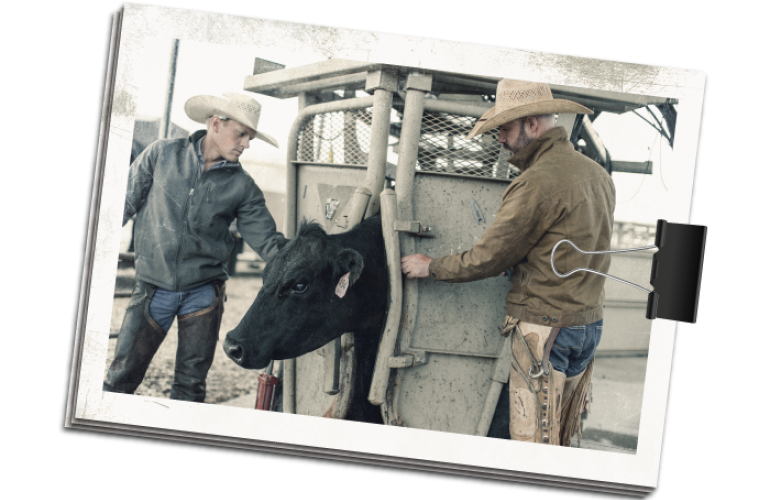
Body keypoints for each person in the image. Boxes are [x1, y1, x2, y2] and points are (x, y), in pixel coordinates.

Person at [400, 79, 616, 446]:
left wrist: (430, 266)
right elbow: (569, 246)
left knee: (532, 446)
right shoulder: (598, 174)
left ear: (531, 123)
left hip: (545, 331)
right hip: (588, 326)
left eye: (504, 128)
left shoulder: (536, 181)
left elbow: (487, 257)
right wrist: (521, 262)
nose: (499, 138)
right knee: (562, 437)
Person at [104, 93, 283, 402]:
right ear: (215, 123)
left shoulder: (243, 186)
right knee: (121, 377)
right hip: (151, 288)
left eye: (250, 138)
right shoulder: (161, 154)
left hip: (203, 296)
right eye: (241, 134)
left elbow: (269, 242)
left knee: (190, 387)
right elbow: (119, 207)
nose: (246, 144)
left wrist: (307, 259)